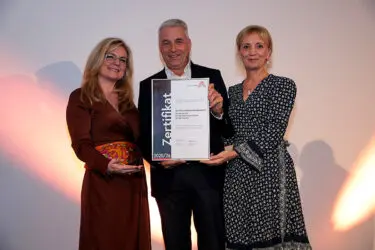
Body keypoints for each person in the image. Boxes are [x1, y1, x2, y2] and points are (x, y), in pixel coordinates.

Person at [202, 25, 312, 249]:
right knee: (238, 232)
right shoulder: (231, 91)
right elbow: (229, 133)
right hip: (236, 175)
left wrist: (233, 152)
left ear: (269, 53)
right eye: (246, 46)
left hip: (269, 171)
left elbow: (273, 130)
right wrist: (218, 112)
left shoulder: (283, 85)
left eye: (259, 46)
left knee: (270, 232)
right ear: (239, 52)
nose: (252, 51)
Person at [137, 19, 231, 250]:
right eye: (166, 43)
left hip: (207, 176)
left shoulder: (212, 76)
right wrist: (158, 159)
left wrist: (219, 112)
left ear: (189, 43)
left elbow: (229, 129)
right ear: (160, 48)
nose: (173, 49)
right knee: (175, 244)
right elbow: (142, 135)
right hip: (169, 180)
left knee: (214, 243)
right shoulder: (148, 85)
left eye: (178, 41)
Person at [66, 37, 151, 250]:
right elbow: (80, 144)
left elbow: (143, 140)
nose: (117, 62)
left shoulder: (127, 101)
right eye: (110, 56)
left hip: (133, 181)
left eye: (123, 60)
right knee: (104, 239)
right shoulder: (80, 97)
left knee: (132, 240)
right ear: (97, 59)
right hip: (104, 182)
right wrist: (107, 166)